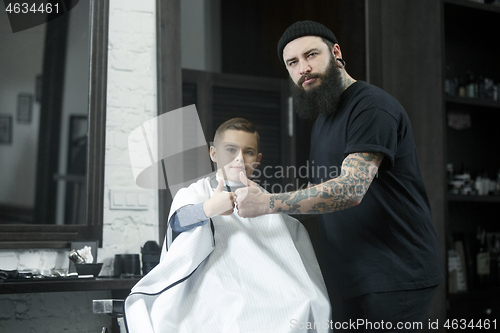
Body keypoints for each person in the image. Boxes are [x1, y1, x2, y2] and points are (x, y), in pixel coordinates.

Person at [235, 21, 444, 331]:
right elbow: (321, 189)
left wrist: (268, 203)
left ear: (335, 53)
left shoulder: (370, 107)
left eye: (311, 55)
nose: (303, 68)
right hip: (351, 275)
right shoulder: (324, 119)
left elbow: (350, 189)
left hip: (395, 273)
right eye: (293, 62)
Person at [124, 118, 331, 333]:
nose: (239, 158)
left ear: (257, 159)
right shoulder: (195, 193)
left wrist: (266, 205)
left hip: (267, 290)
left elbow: (290, 244)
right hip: (214, 286)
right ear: (213, 153)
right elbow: (178, 221)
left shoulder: (268, 199)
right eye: (231, 149)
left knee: (308, 303)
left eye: (248, 152)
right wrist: (208, 208)